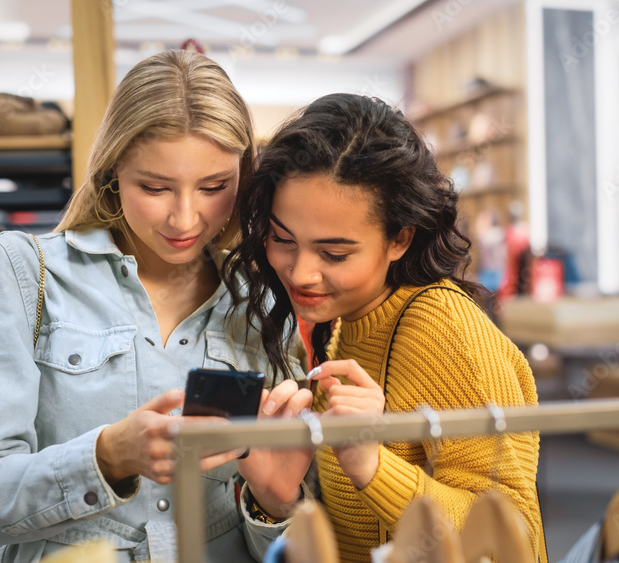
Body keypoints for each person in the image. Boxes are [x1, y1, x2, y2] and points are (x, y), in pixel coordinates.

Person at [0, 50, 313, 562]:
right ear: (114, 170)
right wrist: (106, 455)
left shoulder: (263, 298)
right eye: (154, 187)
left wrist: (274, 502)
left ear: (244, 177)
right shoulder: (21, 272)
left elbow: (289, 538)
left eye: (213, 188)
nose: (185, 219)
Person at [225, 93, 547, 563]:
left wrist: (373, 465)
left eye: (334, 254)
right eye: (282, 239)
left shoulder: (445, 330)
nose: (300, 273)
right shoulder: (344, 323)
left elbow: (511, 533)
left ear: (400, 237)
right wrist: (276, 497)